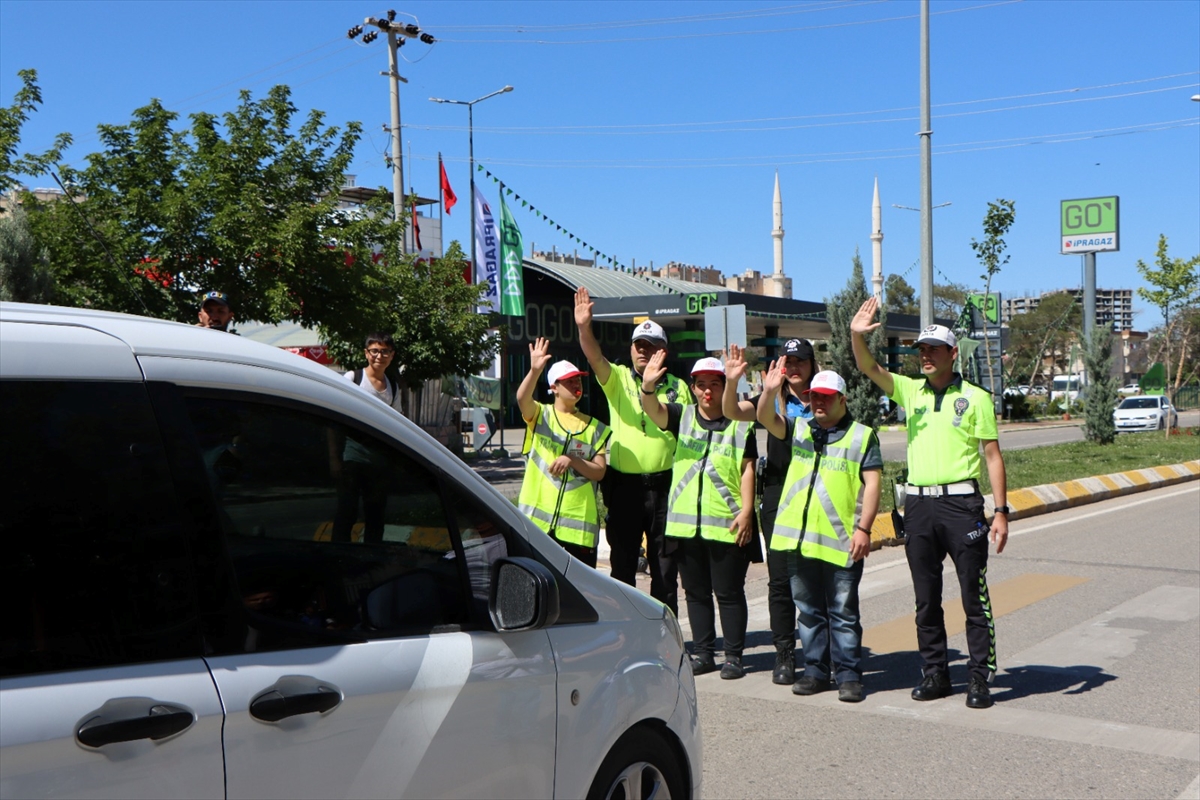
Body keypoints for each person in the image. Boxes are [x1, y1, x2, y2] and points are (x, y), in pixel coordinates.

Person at [850, 296, 1009, 709]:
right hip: (918, 508)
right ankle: (935, 673)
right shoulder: (910, 391)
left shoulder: (975, 398)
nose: (924, 357)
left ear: (952, 354)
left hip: (961, 507)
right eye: (920, 350)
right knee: (926, 598)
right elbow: (869, 367)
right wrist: (856, 335)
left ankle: (979, 678)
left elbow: (992, 456)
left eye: (933, 350)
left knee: (973, 597)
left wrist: (1001, 512)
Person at [757, 367, 881, 702]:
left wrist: (864, 528)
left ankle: (849, 675)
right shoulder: (799, 429)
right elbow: (765, 417)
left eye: (826, 398)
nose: (819, 403)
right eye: (814, 397)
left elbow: (872, 485)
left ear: (842, 399)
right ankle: (815, 671)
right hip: (799, 541)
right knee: (809, 612)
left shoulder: (861, 435)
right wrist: (769, 391)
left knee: (842, 613)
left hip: (842, 542)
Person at [574, 287, 692, 614]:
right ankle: (626, 636)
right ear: (631, 350)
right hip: (624, 489)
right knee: (623, 569)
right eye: (639, 346)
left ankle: (662, 636)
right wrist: (585, 327)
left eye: (651, 347)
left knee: (665, 571)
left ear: (663, 352)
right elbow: (594, 357)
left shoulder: (679, 388)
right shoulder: (618, 379)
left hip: (665, 489)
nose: (644, 352)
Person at [641, 352, 757, 679]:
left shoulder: (740, 422)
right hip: (686, 525)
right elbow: (655, 412)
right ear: (692, 388)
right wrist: (647, 389)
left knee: (729, 593)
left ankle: (734, 656)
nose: (708, 392)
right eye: (701, 385)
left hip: (727, 524)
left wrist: (748, 511)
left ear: (724, 387)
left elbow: (748, 469)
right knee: (695, 593)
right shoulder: (683, 416)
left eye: (715, 385)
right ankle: (704, 653)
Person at [722, 339, 817, 686]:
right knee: (780, 584)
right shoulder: (773, 398)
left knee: (814, 582)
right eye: (788, 361)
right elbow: (732, 411)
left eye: (800, 362)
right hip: (778, 497)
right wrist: (733, 381)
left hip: (817, 497)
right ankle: (785, 654)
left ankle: (820, 653)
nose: (793, 368)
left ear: (811, 364)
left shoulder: (824, 396)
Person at [516, 337, 611, 567]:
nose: (576, 385)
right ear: (554, 388)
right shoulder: (541, 415)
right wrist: (534, 370)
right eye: (569, 381)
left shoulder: (594, 427)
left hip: (579, 532)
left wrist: (572, 460)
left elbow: (599, 472)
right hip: (538, 527)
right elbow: (522, 398)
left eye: (578, 380)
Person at [343, 332, 401, 410]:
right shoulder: (353, 378)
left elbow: (395, 418)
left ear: (392, 355)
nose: (379, 356)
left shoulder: (393, 387)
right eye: (374, 351)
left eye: (385, 351)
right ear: (366, 353)